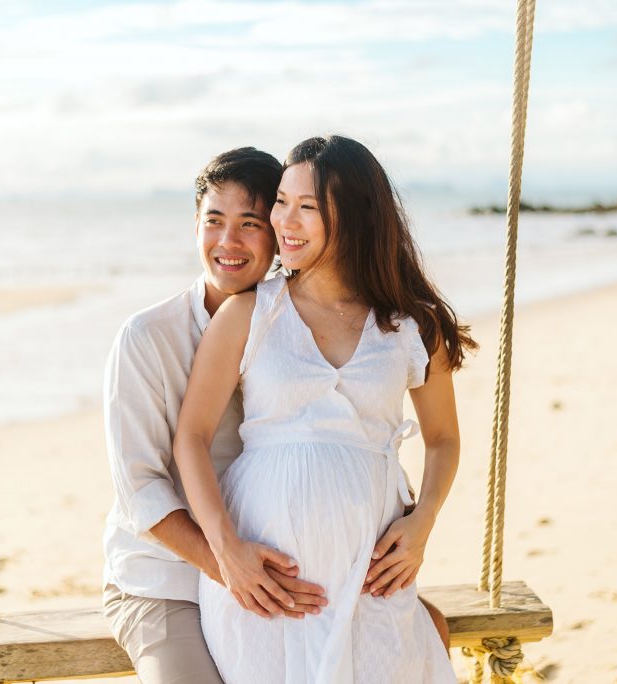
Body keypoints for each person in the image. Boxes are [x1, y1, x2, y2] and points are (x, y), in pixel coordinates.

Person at [174, 135, 476, 682]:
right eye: (281, 202)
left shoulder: (411, 326)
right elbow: (190, 436)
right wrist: (226, 551)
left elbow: (443, 440)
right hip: (265, 587)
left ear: (355, 217)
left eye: (306, 207)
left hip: (371, 576)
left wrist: (424, 522)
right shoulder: (250, 313)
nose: (283, 220)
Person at [101, 147, 329, 684]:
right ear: (195, 228)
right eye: (214, 221)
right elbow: (141, 491)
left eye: (250, 224)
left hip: (282, 574)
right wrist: (227, 563)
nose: (228, 242)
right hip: (168, 582)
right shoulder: (146, 337)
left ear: (278, 232)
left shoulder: (306, 327)